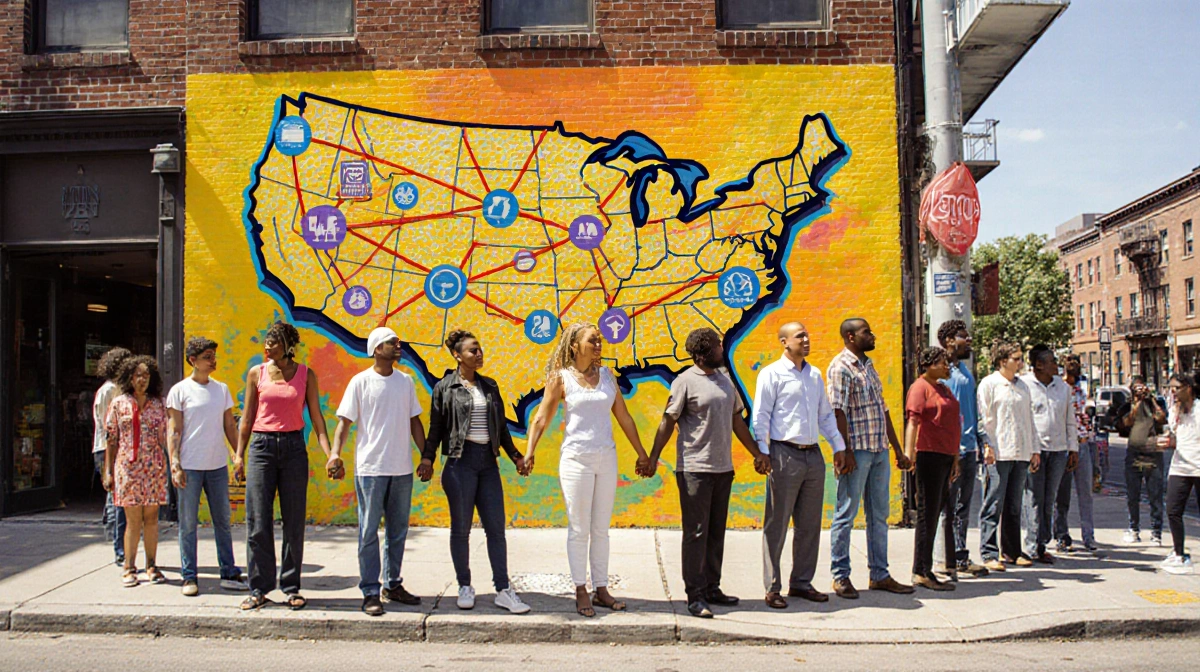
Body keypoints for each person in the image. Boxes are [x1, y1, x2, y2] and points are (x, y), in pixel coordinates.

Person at [523, 323, 651, 617]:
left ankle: (602, 588)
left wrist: (642, 453)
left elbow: (624, 417)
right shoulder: (560, 378)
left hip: (606, 458)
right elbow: (541, 418)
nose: (598, 345)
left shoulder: (607, 376)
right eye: (593, 340)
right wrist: (530, 452)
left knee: (601, 529)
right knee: (579, 529)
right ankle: (581, 589)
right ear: (574, 346)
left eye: (600, 340)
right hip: (576, 460)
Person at [644, 328, 771, 618]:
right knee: (696, 533)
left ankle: (713, 587)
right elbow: (667, 421)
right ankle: (695, 595)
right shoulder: (684, 382)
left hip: (723, 469)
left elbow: (737, 422)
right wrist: (652, 457)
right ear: (702, 352)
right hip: (694, 470)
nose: (721, 349)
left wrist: (757, 454)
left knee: (715, 532)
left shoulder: (725, 380)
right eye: (716, 345)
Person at [419, 329, 531, 615]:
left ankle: (503, 589)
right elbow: (436, 428)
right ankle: (465, 585)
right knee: (461, 529)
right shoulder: (445, 388)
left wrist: (516, 457)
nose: (479, 354)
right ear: (457, 356)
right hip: (460, 464)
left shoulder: (490, 386)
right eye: (472, 350)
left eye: (479, 349)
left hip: (487, 464)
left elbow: (502, 429)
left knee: (496, 528)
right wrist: (428, 459)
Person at [234, 321, 339, 611]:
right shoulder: (257, 373)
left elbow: (317, 418)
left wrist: (330, 454)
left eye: (275, 342)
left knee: (293, 521)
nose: (268, 346)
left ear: (288, 346)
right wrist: (239, 455)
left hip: (294, 449)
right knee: (257, 522)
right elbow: (247, 417)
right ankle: (258, 588)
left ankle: (291, 587)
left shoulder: (306, 375)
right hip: (261, 448)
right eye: (267, 341)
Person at [752, 322, 846, 609]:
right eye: (799, 336)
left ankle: (802, 583)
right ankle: (772, 587)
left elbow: (825, 415)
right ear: (784, 342)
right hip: (783, 454)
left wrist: (838, 446)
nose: (806, 339)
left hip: (812, 456)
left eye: (807, 334)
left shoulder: (814, 375)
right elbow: (760, 417)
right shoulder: (771, 374)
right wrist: (763, 452)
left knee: (809, 525)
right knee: (777, 524)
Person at [333, 327, 425, 616]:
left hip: (401, 469)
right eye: (391, 343)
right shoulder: (360, 382)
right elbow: (344, 423)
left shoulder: (406, 382)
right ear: (376, 349)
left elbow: (415, 421)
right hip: (371, 468)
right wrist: (335, 454)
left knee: (398, 531)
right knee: (368, 531)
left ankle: (392, 584)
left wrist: (426, 456)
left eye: (398, 342)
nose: (398, 346)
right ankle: (370, 590)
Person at [826, 318, 913, 598]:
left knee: (879, 515)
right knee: (846, 514)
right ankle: (840, 576)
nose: (872, 335)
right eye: (866, 332)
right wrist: (844, 450)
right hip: (857, 452)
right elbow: (837, 412)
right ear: (850, 337)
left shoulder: (868, 366)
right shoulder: (841, 367)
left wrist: (897, 449)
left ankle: (880, 574)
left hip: (878, 451)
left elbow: (883, 410)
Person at [166, 337, 247, 597]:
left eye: (213, 356)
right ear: (193, 360)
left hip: (216, 467)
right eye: (207, 356)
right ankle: (189, 576)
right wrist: (175, 463)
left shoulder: (221, 389)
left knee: (222, 520)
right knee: (188, 523)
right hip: (189, 466)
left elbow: (229, 426)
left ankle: (229, 571)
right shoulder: (179, 391)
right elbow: (174, 430)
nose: (213, 361)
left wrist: (238, 454)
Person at [102, 355, 169, 588]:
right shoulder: (119, 403)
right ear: (129, 377)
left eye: (146, 375)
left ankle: (152, 565)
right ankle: (129, 567)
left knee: (151, 519)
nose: (142, 380)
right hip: (127, 467)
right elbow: (111, 438)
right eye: (138, 375)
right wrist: (107, 471)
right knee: (132, 521)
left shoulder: (159, 404)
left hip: (153, 466)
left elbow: (166, 436)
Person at [932, 320, 988, 579]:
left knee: (963, 508)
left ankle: (960, 556)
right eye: (964, 337)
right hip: (950, 452)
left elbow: (972, 413)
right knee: (948, 508)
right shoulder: (942, 374)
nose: (969, 341)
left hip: (969, 451)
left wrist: (982, 442)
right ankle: (943, 560)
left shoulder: (966, 372)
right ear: (948, 341)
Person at [977, 342, 1039, 571]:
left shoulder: (1023, 386)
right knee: (994, 502)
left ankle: (1012, 550)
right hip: (999, 451)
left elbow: (1029, 419)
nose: (1020, 363)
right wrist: (987, 445)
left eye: (1021, 358)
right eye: (1016, 358)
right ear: (1003, 361)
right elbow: (983, 417)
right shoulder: (990, 384)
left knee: (1014, 505)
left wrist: (1034, 449)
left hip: (1020, 451)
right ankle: (989, 552)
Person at [904, 347, 960, 591]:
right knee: (927, 514)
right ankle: (922, 570)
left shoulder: (943, 388)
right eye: (942, 362)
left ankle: (924, 568)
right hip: (928, 456)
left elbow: (952, 424)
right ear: (928, 364)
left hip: (946, 457)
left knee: (937, 513)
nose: (947, 366)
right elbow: (913, 421)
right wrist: (909, 454)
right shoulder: (920, 387)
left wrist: (955, 458)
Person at [1020, 345, 1077, 565]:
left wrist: (1073, 448)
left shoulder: (1063, 388)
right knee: (1034, 497)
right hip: (1035, 450)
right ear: (1039, 365)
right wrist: (1030, 450)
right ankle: (1032, 544)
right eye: (1052, 361)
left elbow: (1069, 420)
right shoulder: (1025, 385)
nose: (1056, 365)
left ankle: (1042, 543)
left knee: (1049, 498)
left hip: (1058, 450)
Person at [1114, 376, 1166, 545]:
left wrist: (1151, 398)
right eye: (1136, 388)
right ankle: (1133, 528)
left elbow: (1162, 419)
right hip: (1134, 454)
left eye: (1142, 387)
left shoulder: (1153, 403)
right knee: (1133, 494)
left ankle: (1156, 532)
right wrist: (1136, 404)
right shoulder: (1126, 406)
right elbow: (1124, 424)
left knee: (1155, 495)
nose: (1140, 391)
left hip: (1153, 453)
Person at [1054, 353, 1098, 554]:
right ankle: (1061, 535)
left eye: (1077, 365)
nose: (1074, 368)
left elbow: (1086, 416)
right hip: (1065, 446)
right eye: (1070, 365)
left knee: (1085, 492)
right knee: (1062, 494)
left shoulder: (1081, 390)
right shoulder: (1059, 390)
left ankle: (1088, 536)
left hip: (1083, 443)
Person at [93, 347, 132, 565]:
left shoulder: (120, 389)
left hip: (115, 445)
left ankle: (117, 537)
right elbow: (107, 424)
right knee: (114, 494)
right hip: (106, 447)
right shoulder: (109, 390)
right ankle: (116, 541)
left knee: (116, 494)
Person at [1162, 371, 1200, 574]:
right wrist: (1168, 443)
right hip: (1180, 467)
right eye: (1171, 388)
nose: (1173, 392)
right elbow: (1177, 438)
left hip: (1198, 467)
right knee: (1173, 510)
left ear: (1189, 388)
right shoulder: (1174, 411)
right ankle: (1179, 553)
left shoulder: (1199, 410)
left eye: (1177, 388)